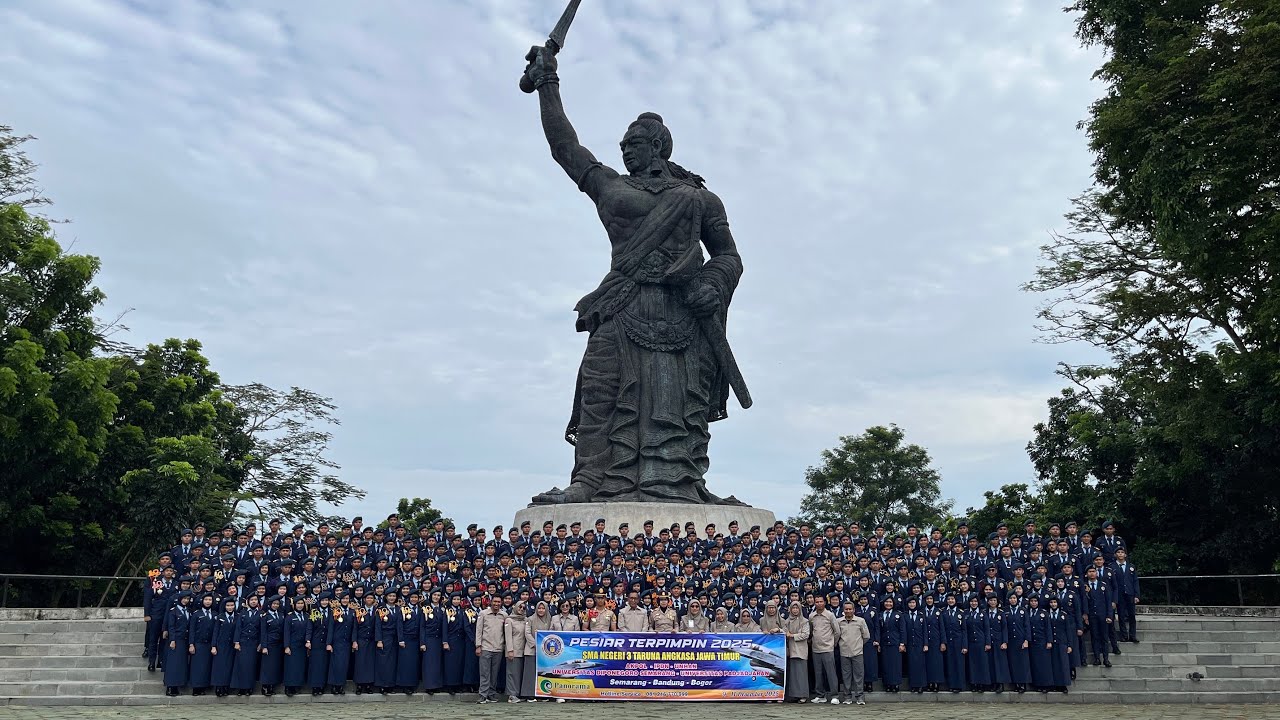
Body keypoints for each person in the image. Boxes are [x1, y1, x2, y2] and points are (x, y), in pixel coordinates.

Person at [474, 595, 508, 704]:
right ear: (491, 602)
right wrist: (478, 646)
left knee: (494, 673)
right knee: (484, 672)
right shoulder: (483, 614)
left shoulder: (504, 615)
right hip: (486, 647)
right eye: (495, 601)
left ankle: (491, 694)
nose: (496, 604)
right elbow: (479, 630)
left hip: (498, 648)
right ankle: (483, 694)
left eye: (498, 602)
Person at [836, 601, 870, 705]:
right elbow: (837, 636)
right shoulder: (839, 622)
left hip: (857, 652)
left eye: (850, 609)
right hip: (844, 653)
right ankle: (847, 697)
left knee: (859, 676)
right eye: (846, 609)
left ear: (854, 610)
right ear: (843, 610)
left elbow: (866, 636)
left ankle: (860, 697)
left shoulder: (860, 621)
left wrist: (858, 645)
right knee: (846, 676)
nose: (848, 611)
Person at [808, 595, 840, 702]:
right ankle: (820, 695)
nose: (818, 604)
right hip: (816, 649)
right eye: (816, 602)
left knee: (831, 673)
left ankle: (834, 696)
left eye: (821, 601)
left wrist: (832, 644)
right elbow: (811, 632)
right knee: (818, 673)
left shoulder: (830, 615)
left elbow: (837, 632)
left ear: (825, 603)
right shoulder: (812, 616)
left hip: (828, 649)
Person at [162, 591, 192, 697]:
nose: (186, 601)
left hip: (184, 640)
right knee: (172, 664)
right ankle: (170, 687)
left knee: (180, 664)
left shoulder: (188, 610)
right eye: (184, 599)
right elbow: (171, 627)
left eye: (187, 599)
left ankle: (177, 686)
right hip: (176, 640)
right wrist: (172, 640)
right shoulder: (173, 611)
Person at [187, 593, 217, 696]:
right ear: (202, 601)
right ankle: (196, 687)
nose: (208, 601)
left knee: (206, 666)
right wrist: (191, 644)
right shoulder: (196, 614)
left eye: (210, 600)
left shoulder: (214, 614)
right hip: (198, 644)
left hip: (209, 645)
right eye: (206, 600)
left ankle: (204, 687)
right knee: (197, 667)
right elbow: (192, 630)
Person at [782, 601, 811, 703]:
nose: (795, 610)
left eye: (797, 608)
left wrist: (792, 635)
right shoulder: (787, 621)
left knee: (801, 674)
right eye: (793, 608)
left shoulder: (805, 621)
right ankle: (794, 695)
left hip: (800, 650)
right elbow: (784, 632)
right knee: (793, 674)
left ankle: (802, 695)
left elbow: (805, 634)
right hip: (791, 650)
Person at [257, 596, 285, 696]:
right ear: (270, 604)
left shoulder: (281, 615)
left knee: (275, 666)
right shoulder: (265, 616)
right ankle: (265, 686)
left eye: (277, 604)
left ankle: (272, 686)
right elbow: (263, 632)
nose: (275, 605)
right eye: (274, 604)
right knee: (267, 667)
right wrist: (264, 646)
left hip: (278, 644)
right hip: (269, 644)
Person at [282, 597, 309, 697]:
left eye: (302, 603)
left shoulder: (306, 616)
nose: (300, 605)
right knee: (291, 667)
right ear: (294, 605)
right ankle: (289, 687)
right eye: (298, 603)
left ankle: (297, 685)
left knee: (299, 667)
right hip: (292, 645)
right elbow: (286, 632)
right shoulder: (289, 617)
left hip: (302, 646)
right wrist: (286, 646)